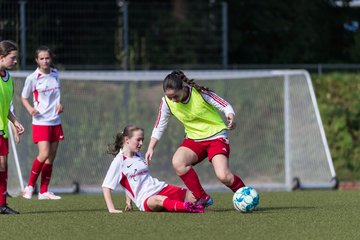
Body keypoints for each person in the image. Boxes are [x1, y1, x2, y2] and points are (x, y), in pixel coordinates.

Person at [145, 70, 246, 207]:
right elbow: (159, 126)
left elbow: (224, 105)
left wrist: (231, 116)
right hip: (194, 140)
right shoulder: (166, 102)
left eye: (175, 96)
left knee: (223, 176)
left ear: (182, 87)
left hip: (216, 137)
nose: (173, 100)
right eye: (169, 97)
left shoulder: (200, 93)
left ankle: (246, 195)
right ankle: (202, 198)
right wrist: (151, 147)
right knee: (178, 162)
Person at [102, 125, 204, 213]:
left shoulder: (138, 155)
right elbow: (106, 186)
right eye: (138, 140)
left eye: (142, 140)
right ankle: (188, 208)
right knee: (159, 200)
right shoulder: (118, 161)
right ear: (126, 140)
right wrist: (111, 209)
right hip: (146, 199)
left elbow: (131, 179)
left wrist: (128, 201)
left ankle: (191, 203)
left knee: (195, 197)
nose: (141, 143)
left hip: (161, 188)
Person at [21, 46, 64, 200]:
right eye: (42, 58)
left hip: (55, 121)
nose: (45, 61)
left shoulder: (55, 74)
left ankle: (44, 191)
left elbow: (57, 96)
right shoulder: (32, 78)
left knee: (51, 157)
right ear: (36, 60)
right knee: (44, 153)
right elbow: (23, 97)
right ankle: (30, 186)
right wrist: (30, 109)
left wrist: (60, 106)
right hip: (40, 121)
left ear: (50, 59)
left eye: (47, 58)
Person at [0, 40, 25, 214]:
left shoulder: (9, 80)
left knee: (3, 166)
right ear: (1, 57)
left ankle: (1, 204)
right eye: (12, 58)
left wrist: (15, 122)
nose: (15, 61)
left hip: (2, 130)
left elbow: (6, 107)